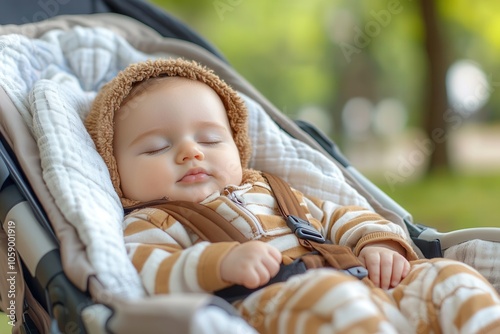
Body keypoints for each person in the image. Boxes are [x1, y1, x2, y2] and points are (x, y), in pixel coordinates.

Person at [85, 58, 500, 334]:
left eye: (211, 138)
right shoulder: (151, 221)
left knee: (449, 276)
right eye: (157, 147)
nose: (191, 152)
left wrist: (380, 242)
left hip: (366, 286)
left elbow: (340, 216)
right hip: (265, 306)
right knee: (332, 299)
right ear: (115, 171)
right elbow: (149, 272)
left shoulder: (272, 189)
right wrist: (222, 262)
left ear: (238, 147)